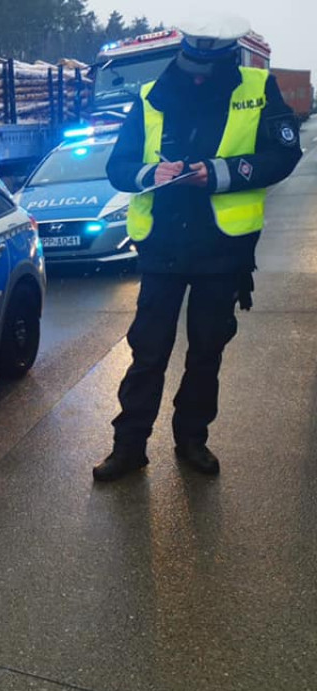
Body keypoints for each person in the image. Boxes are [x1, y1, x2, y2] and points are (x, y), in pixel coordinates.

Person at [92, 14, 302, 482]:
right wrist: (151, 175)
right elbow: (119, 165)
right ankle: (128, 447)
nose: (200, 74)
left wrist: (222, 173)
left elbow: (284, 152)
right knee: (148, 352)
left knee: (206, 352)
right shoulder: (152, 95)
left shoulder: (256, 86)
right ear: (182, 54)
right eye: (193, 64)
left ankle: (192, 441)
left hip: (221, 250)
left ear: (226, 55)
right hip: (163, 247)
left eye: (209, 65)